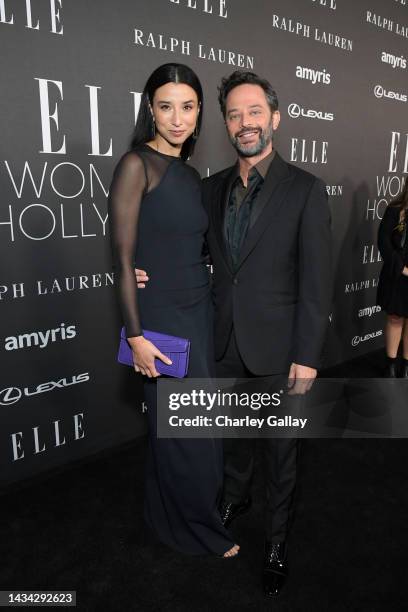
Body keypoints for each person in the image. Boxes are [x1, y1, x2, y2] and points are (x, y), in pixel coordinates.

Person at [136, 70, 332, 596]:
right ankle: (235, 498)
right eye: (234, 115)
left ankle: (275, 539)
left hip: (279, 350)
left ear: (275, 118)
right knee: (234, 443)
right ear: (224, 123)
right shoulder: (209, 187)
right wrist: (140, 267)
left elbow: (316, 284)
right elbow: (180, 243)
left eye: (254, 112)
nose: (244, 123)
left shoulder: (306, 191)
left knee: (282, 451)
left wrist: (307, 356)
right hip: (218, 340)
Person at [108, 63, 238, 557]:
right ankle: (198, 529)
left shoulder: (189, 174)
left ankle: (166, 513)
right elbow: (121, 259)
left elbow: (192, 245)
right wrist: (136, 335)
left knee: (194, 426)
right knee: (184, 430)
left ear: (200, 110)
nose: (177, 119)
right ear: (150, 109)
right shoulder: (135, 165)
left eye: (187, 107)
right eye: (166, 106)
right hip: (159, 318)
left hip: (198, 311)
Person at [377, 180, 408, 377]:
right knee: (395, 318)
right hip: (397, 276)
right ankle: (390, 366)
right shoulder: (394, 210)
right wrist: (402, 269)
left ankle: (405, 367)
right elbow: (383, 242)